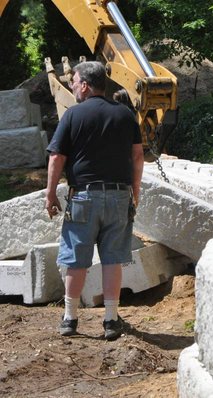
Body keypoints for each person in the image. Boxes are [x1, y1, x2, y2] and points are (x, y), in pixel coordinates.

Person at [45, 61, 144, 340]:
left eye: (74, 82)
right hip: (118, 195)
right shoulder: (125, 115)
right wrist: (134, 191)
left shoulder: (73, 115)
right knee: (112, 259)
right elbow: (137, 156)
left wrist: (50, 193)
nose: (73, 86)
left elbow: (56, 157)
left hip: (84, 197)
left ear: (85, 85)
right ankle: (111, 320)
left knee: (76, 259)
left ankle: (69, 319)